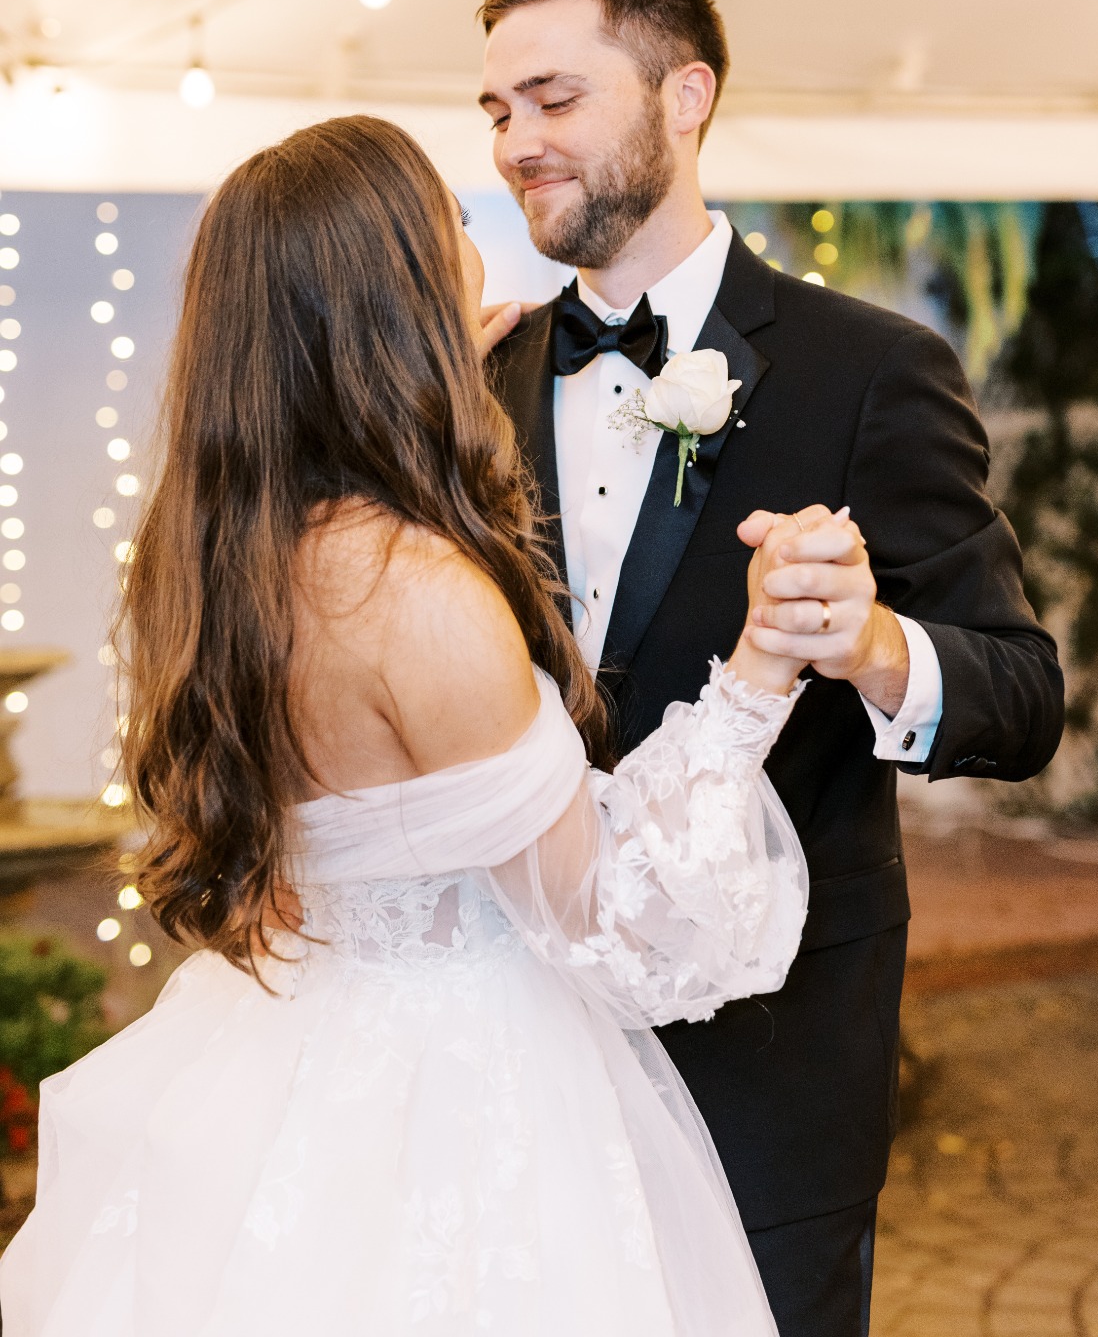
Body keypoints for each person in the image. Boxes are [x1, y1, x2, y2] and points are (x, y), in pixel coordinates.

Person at [0, 115, 818, 1337]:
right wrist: (762, 669)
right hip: (469, 1094)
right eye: (449, 225)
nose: (478, 250)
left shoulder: (207, 556)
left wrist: (444, 412)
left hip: (277, 1059)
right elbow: (614, 922)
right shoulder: (420, 596)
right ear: (401, 290)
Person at [480, 0, 1066, 1337]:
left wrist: (871, 647)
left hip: (770, 1052)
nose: (516, 143)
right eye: (495, 110)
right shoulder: (475, 380)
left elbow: (1024, 696)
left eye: (552, 99)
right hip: (521, 1032)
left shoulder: (871, 370)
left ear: (686, 96)